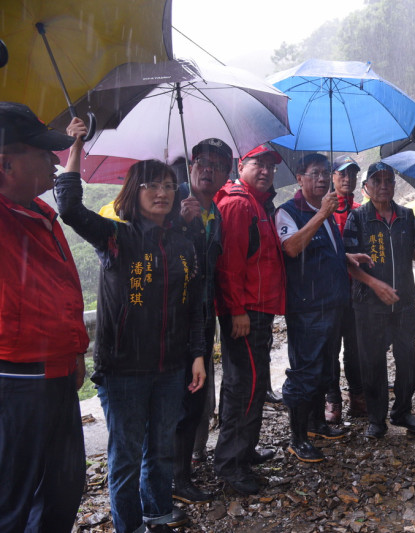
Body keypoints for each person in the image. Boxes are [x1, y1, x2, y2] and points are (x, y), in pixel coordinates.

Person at [58, 120, 206, 533]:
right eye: (151, 186)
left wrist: (196, 354)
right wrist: (76, 145)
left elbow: (195, 303)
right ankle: (129, 525)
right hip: (123, 371)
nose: (162, 193)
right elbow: (69, 208)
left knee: (160, 449)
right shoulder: (115, 238)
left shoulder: (183, 242)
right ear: (133, 192)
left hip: (171, 367)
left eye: (168, 186)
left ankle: (156, 511)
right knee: (125, 455)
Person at [0, 102, 89, 533]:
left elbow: (65, 291)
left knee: (64, 485)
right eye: (42, 153)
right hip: (15, 377)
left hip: (56, 371)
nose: (54, 161)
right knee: (12, 495)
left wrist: (75, 351)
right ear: (6, 163)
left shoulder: (40, 214)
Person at [213, 143, 286, 495]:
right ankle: (231, 465)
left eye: (270, 166)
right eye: (258, 164)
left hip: (258, 309)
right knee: (245, 386)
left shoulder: (257, 203)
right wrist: (237, 309)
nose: (266, 171)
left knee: (249, 384)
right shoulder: (240, 205)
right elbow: (230, 263)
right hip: (246, 312)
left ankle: (244, 451)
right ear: (242, 165)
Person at [342, 162, 415, 439]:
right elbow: (346, 262)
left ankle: (402, 410)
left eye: (388, 181)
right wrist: (373, 283)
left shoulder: (405, 216)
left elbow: (413, 257)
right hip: (368, 304)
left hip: (403, 303)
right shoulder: (357, 218)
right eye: (377, 180)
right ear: (366, 187)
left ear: (394, 185)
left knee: (408, 359)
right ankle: (377, 418)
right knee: (372, 362)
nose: (383, 186)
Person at [276, 154, 350, 461]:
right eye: (315, 174)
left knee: (325, 368)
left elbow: (325, 251)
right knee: (304, 372)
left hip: (332, 305)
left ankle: (318, 423)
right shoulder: (288, 211)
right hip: (307, 308)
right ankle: (298, 437)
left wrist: (348, 259)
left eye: (325, 174)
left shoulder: (327, 210)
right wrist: (321, 214)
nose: (322, 179)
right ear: (299, 177)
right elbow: (291, 248)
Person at [172, 138, 232, 505]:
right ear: (191, 165)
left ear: (226, 174)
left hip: (203, 316)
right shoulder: (171, 201)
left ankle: (184, 469)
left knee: (195, 395)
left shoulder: (216, 214)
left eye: (217, 165)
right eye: (202, 162)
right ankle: (173, 477)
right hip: (174, 319)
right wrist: (180, 224)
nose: (207, 169)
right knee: (178, 398)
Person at [325, 155, 367, 423]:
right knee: (330, 349)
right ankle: (332, 398)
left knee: (355, 348)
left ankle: (358, 396)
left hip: (357, 291)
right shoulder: (324, 208)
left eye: (352, 174)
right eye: (342, 174)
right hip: (328, 292)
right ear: (332, 177)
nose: (347, 179)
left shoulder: (362, 210)